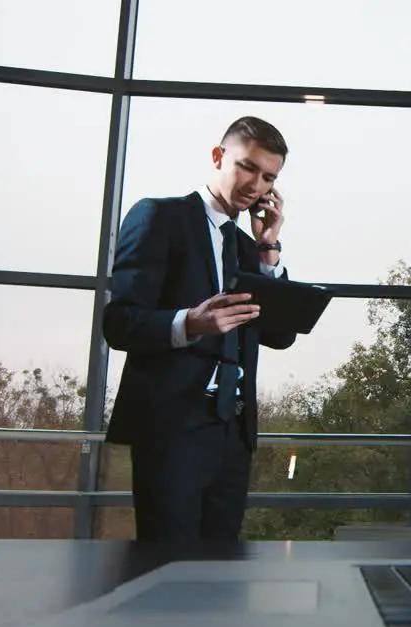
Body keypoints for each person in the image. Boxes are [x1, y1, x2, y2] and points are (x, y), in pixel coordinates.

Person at [102, 116, 297, 542]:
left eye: (269, 177)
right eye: (247, 167)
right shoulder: (160, 217)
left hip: (233, 428)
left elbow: (280, 335)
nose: (256, 185)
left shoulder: (251, 249)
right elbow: (119, 324)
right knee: (167, 564)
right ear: (218, 156)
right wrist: (190, 323)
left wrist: (269, 250)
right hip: (173, 424)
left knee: (220, 570)